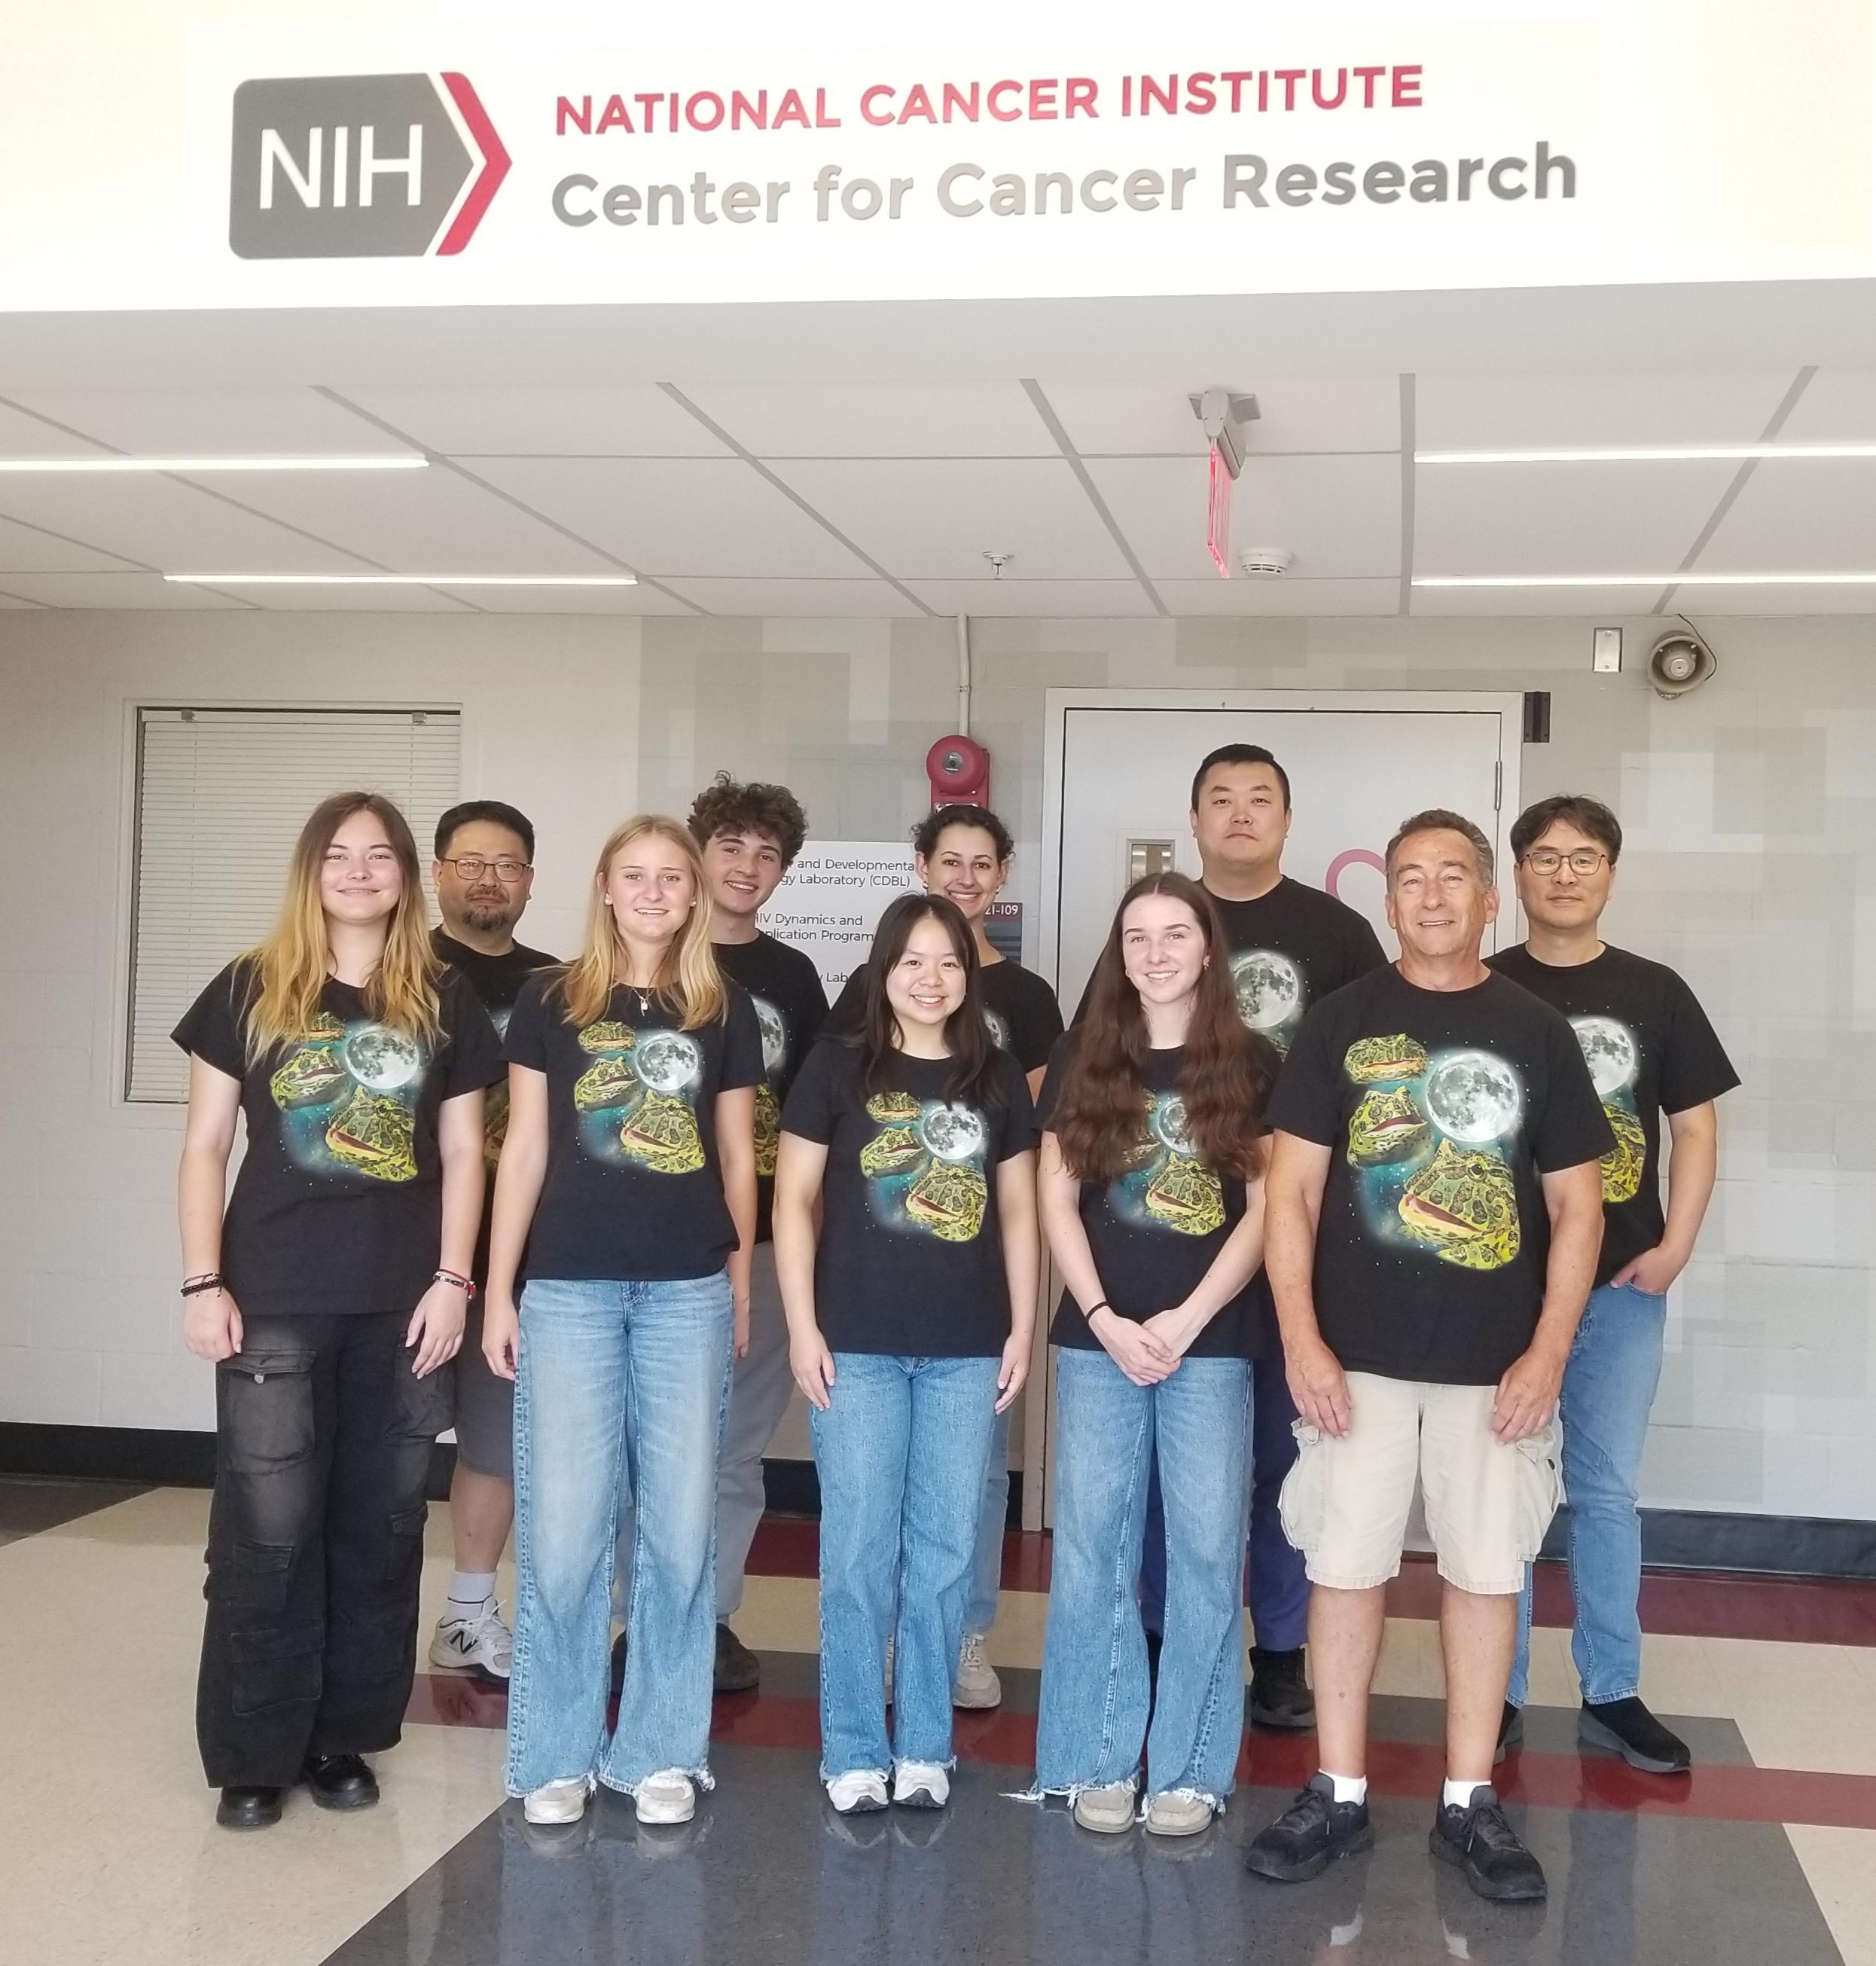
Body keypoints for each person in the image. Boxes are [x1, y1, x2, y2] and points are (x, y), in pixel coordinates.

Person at [1245, 809, 1609, 1904]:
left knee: (1482, 1571)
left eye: (1455, 876)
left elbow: (1576, 1208)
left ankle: (1466, 1801)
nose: (1433, 895)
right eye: (1411, 877)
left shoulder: (1536, 1028)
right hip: (1351, 1359)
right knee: (1341, 1567)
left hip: (1494, 1364)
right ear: (1387, 899)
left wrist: (1547, 1350)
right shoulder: (1337, 1023)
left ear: (1488, 898)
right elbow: (1290, 1191)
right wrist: (1300, 1337)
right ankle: (1338, 1788)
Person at [174, 791, 500, 1830]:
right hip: (270, 1293)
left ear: (407, 873)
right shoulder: (249, 988)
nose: (358, 871)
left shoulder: (440, 997)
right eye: (337, 854)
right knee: (267, 1528)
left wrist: (455, 1279)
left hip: (405, 1306)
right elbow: (203, 1146)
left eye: (378, 855)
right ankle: (253, 1750)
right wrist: (199, 1278)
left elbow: (461, 1153)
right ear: (309, 870)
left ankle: (341, 1735)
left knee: (381, 1524)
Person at [483, 815, 761, 1829]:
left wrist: (736, 1286)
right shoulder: (548, 999)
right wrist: (502, 1286)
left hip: (686, 1289)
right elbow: (521, 1151)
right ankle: (555, 1752)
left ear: (693, 895)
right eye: (632, 875)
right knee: (563, 1534)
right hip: (568, 1291)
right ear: (602, 886)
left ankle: (657, 1751)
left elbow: (736, 1158)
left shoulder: (716, 1006)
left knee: (680, 1532)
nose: (652, 891)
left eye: (669, 877)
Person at [1139, 744, 1389, 1730]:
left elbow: (1375, 1075)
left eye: (1259, 799)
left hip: (1301, 1234)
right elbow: (1100, 1066)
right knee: (1177, 1457)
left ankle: (1279, 1650)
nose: (1239, 815)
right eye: (1219, 799)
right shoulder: (1157, 923)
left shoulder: (1333, 933)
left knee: (1288, 1454)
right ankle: (1164, 1632)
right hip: (1168, 1231)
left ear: (1286, 817)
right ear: (1193, 818)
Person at [1490, 795, 1738, 1775]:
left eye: (1581, 857)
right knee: (1500, 1489)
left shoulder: (1653, 991)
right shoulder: (1480, 983)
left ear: (1608, 872)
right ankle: (1493, 1688)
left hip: (1620, 1284)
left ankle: (1610, 1687)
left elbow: (1694, 1127)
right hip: (1498, 1288)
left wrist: (1676, 1241)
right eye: (1543, 856)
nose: (1561, 873)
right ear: (1515, 874)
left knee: (1602, 1490)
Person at [775, 893, 1039, 1814]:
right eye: (911, 962)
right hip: (857, 1345)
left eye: (950, 963)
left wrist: (1020, 1327)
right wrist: (803, 1326)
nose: (930, 980)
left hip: (966, 1347)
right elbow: (793, 1203)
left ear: (970, 977)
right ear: (881, 971)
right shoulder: (836, 1068)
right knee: (855, 1548)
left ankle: (924, 1742)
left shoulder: (995, 1074)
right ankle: (852, 1744)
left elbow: (1017, 1208)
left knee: (942, 1550)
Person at [1031, 872, 1274, 1839]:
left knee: (1209, 1552)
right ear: (1119, 953)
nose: (1157, 952)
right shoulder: (1084, 1054)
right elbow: (1055, 1196)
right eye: (1138, 936)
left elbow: (1264, 1213)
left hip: (1208, 1346)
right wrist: (1099, 1313)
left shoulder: (1252, 1064)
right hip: (1098, 1344)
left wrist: (1184, 1319)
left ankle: (1190, 1765)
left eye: (1177, 934)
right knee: (1093, 1548)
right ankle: (1098, 1754)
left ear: (1207, 952)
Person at [830, 803, 1063, 1710]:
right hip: (880, 1277)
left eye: (982, 864)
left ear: (1002, 875)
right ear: (922, 866)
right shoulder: (869, 984)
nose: (965, 878)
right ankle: (889, 1638)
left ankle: (963, 1635)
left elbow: (1022, 1145)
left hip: (972, 1281)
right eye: (949, 862)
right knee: (878, 1481)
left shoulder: (1031, 1001)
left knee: (970, 1477)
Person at [613, 774, 826, 1695]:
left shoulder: (792, 979)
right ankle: (635, 1618)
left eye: (767, 854)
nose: (747, 867)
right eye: (731, 847)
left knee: (736, 1444)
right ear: (698, 857)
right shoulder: (638, 964)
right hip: (649, 1240)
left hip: (769, 1242)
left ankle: (714, 1614)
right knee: (642, 1442)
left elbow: (819, 1121)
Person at [426, 799, 557, 1684]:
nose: (488, 880)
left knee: (493, 1440)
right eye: (470, 862)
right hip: (394, 1243)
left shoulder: (560, 986)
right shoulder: (395, 968)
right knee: (382, 1446)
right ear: (436, 871)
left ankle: (467, 1615)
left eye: (507, 865)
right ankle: (357, 1616)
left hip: (509, 1258)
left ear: (530, 882)